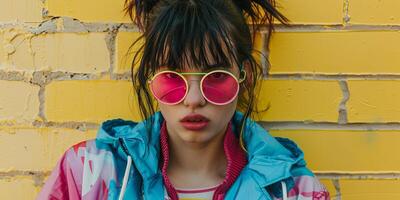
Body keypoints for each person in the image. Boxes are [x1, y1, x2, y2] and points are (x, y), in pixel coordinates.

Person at [38, 0, 330, 199]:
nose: (193, 99)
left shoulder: (292, 191)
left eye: (215, 76)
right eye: (173, 77)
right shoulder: (89, 174)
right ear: (150, 77)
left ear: (245, 77)